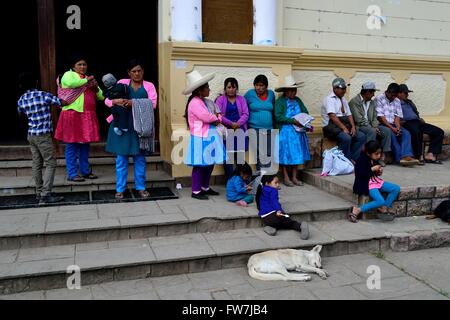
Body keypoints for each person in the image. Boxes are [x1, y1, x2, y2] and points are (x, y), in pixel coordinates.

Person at [105, 59, 157, 199]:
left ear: (143, 71)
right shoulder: (122, 83)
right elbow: (107, 100)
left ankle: (140, 187)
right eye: (133, 71)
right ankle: (120, 189)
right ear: (129, 73)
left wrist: (133, 103)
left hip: (139, 127)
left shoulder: (149, 86)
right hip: (122, 125)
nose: (137, 74)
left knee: (140, 158)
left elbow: (153, 104)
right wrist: (115, 101)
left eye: (139, 71)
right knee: (121, 159)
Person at [17, 72, 65, 204]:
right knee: (50, 163)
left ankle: (39, 192)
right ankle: (46, 194)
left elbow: (21, 114)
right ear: (36, 82)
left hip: (31, 134)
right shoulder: (43, 95)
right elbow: (61, 102)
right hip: (43, 135)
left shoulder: (21, 99)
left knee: (36, 163)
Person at [55, 54, 104, 182]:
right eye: (79, 64)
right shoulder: (68, 75)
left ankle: (85, 171)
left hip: (86, 115)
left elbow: (101, 97)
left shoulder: (88, 79)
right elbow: (73, 83)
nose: (82, 67)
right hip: (72, 114)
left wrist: (95, 88)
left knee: (85, 145)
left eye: (84, 64)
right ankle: (72, 174)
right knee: (72, 144)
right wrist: (88, 81)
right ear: (73, 66)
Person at [183, 70, 226, 200]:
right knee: (200, 164)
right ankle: (196, 190)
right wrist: (217, 118)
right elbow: (207, 117)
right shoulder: (195, 102)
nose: (209, 89)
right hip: (200, 137)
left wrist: (217, 117)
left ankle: (205, 187)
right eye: (207, 87)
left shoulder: (205, 101)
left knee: (209, 163)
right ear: (199, 90)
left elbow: (217, 113)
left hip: (208, 136)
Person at [350, 141, 401, 223]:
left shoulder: (373, 159)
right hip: (366, 184)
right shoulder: (361, 160)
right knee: (380, 200)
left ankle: (384, 207)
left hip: (375, 181)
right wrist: (372, 169)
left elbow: (374, 173)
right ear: (368, 153)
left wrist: (378, 172)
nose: (379, 156)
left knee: (396, 188)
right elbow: (360, 174)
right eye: (376, 154)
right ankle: (357, 210)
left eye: (380, 153)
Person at [274, 75, 311, 187]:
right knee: (286, 154)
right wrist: (292, 121)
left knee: (296, 154)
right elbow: (278, 116)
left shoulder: (298, 100)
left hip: (298, 131)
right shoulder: (280, 102)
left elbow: (305, 112)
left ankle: (294, 177)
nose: (293, 93)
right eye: (290, 90)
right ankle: (286, 177)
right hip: (286, 130)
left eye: (294, 90)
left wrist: (305, 120)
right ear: (285, 91)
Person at [398, 84, 445, 165]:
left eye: (407, 93)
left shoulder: (409, 102)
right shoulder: (395, 103)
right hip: (407, 122)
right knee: (416, 132)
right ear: (399, 93)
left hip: (417, 121)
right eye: (405, 93)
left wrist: (419, 118)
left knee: (438, 131)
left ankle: (430, 154)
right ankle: (418, 156)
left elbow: (415, 112)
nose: (407, 95)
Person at [322, 78, 366, 162]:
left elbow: (349, 114)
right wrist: (344, 128)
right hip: (331, 127)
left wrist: (353, 127)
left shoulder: (343, 99)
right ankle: (344, 160)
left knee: (361, 136)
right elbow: (333, 116)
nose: (344, 90)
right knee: (346, 138)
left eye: (345, 88)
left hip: (342, 124)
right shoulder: (329, 99)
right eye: (342, 88)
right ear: (335, 88)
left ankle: (352, 158)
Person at [375, 83, 419, 166]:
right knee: (391, 134)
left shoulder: (397, 100)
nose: (394, 97)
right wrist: (392, 128)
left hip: (394, 124)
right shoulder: (379, 98)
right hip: (383, 124)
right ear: (387, 92)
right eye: (392, 95)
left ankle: (406, 156)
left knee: (406, 133)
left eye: (395, 95)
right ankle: (400, 158)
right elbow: (381, 117)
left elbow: (397, 116)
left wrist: (398, 127)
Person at [349, 82, 391, 167]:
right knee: (371, 131)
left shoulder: (371, 103)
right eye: (372, 92)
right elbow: (359, 119)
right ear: (367, 92)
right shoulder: (354, 102)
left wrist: (375, 126)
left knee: (386, 131)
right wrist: (372, 128)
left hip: (371, 125)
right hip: (359, 126)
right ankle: (368, 158)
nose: (373, 95)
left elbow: (375, 117)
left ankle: (381, 156)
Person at [215, 78, 249, 181]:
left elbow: (246, 114)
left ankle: (240, 180)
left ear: (237, 88)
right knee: (228, 158)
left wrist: (237, 124)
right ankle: (230, 181)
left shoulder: (241, 99)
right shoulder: (220, 100)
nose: (231, 89)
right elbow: (218, 115)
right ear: (225, 88)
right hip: (226, 131)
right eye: (229, 87)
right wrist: (231, 123)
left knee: (240, 157)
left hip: (240, 130)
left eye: (234, 87)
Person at [256, 175, 309, 239]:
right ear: (267, 183)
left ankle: (270, 226)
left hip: (265, 217)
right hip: (274, 214)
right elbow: (274, 201)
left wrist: (275, 187)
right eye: (276, 183)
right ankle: (300, 226)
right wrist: (278, 210)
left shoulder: (261, 189)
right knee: (290, 223)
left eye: (278, 182)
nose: (278, 184)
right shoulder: (273, 190)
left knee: (276, 222)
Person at [245, 75, 276, 173]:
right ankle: (262, 179)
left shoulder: (271, 94)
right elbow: (242, 107)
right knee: (260, 154)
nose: (259, 87)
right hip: (254, 129)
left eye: (261, 85)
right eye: (257, 85)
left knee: (268, 153)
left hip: (269, 129)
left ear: (266, 86)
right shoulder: (249, 94)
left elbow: (273, 110)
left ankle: (267, 177)